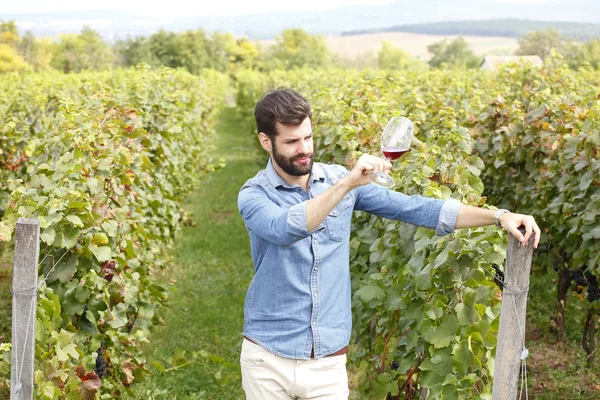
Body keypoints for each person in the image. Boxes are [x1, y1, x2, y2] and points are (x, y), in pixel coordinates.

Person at [237, 88, 540, 400]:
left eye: (308, 138)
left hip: (327, 361)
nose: (304, 149)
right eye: (291, 142)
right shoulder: (254, 195)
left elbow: (416, 208)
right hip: (268, 358)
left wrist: (498, 216)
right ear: (265, 141)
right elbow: (288, 228)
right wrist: (347, 185)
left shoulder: (338, 179)